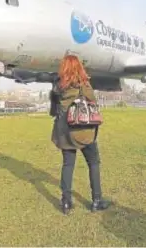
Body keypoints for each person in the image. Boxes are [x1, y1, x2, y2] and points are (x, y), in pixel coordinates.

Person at [50, 54, 110, 215]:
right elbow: (92, 101)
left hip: (64, 132)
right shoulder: (82, 83)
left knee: (68, 165)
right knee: (94, 162)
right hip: (82, 130)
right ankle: (97, 200)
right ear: (79, 67)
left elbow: (53, 109)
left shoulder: (57, 85)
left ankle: (66, 202)